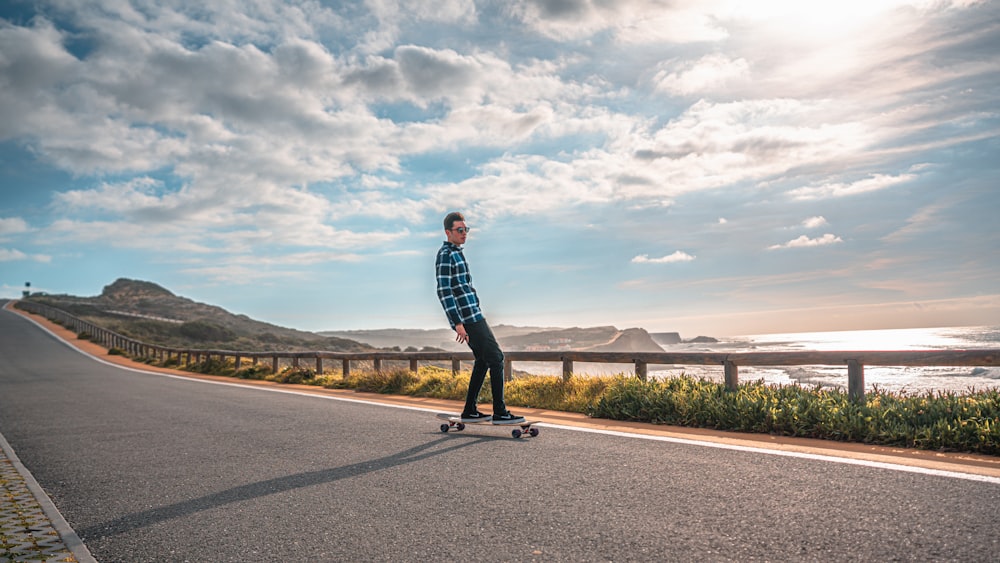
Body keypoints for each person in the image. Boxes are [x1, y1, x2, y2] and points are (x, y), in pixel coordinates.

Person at [435, 211, 525, 424]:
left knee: (483, 360)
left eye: (466, 229)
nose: (464, 233)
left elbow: (463, 286)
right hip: (468, 318)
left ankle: (470, 410)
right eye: (460, 230)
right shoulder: (446, 255)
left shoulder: (457, 252)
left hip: (473, 313)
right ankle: (500, 412)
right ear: (448, 232)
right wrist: (456, 322)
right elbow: (444, 290)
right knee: (496, 357)